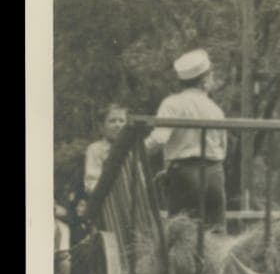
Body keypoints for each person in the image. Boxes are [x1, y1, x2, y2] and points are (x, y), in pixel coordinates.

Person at [145, 48, 227, 230]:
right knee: (215, 230)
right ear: (205, 80)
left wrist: (137, 153)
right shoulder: (215, 109)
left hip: (185, 174)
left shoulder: (172, 103)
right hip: (214, 174)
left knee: (182, 233)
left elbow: (159, 139)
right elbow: (223, 147)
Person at [84, 104, 128, 195]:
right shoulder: (95, 149)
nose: (118, 125)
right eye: (112, 121)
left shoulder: (131, 149)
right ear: (101, 127)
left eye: (122, 121)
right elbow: (91, 183)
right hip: (106, 202)